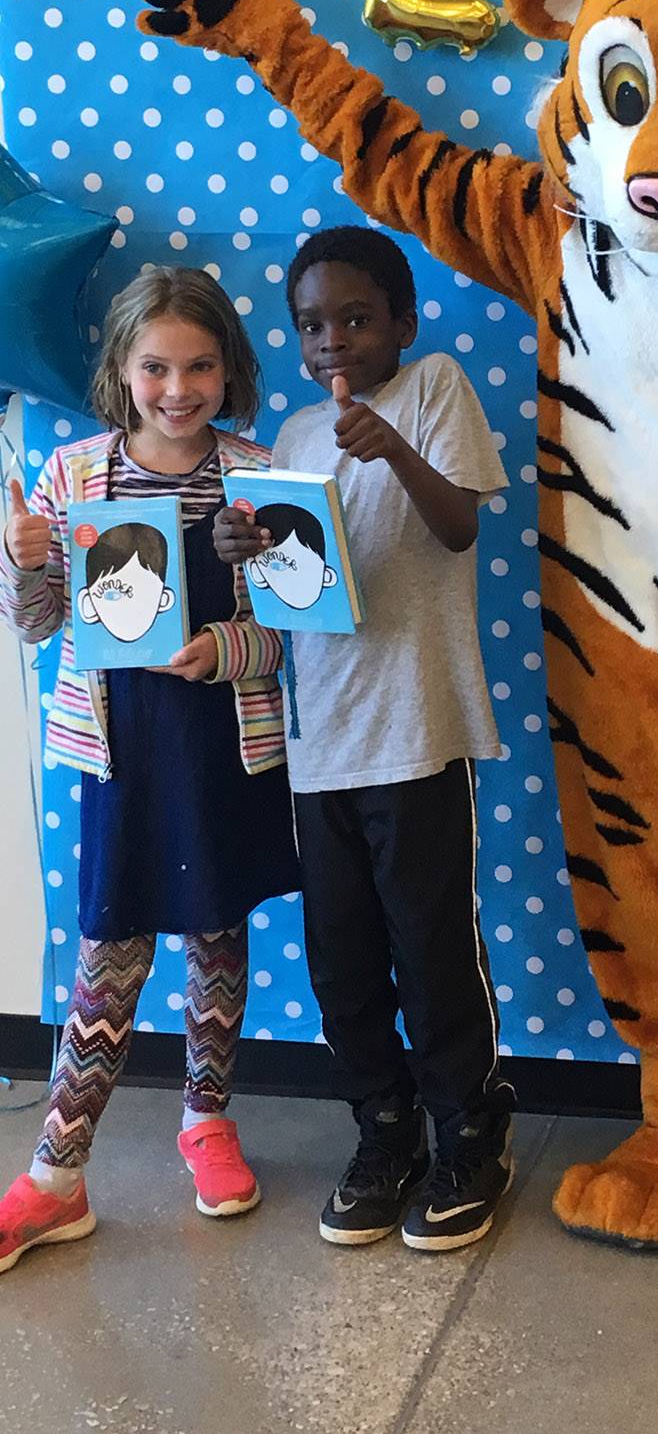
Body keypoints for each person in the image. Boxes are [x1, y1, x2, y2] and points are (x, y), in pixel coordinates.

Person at [214, 224, 514, 1252]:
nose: (332, 340)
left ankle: (470, 1131)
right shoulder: (295, 438)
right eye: (311, 325)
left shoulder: (434, 390)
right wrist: (237, 549)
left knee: (430, 947)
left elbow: (460, 527)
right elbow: (291, 587)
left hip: (416, 728)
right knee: (341, 956)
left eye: (354, 318)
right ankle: (381, 1131)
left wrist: (393, 445)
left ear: (402, 322)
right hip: (321, 738)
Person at [0, 267, 299, 1275]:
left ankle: (205, 1120)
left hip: (223, 742)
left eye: (201, 365)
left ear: (230, 368)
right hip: (120, 751)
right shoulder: (76, 478)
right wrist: (23, 562)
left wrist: (225, 648)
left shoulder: (259, 472)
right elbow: (41, 630)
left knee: (219, 932)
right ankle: (56, 1175)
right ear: (121, 372)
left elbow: (297, 630)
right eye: (157, 366)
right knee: (110, 945)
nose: (180, 386)